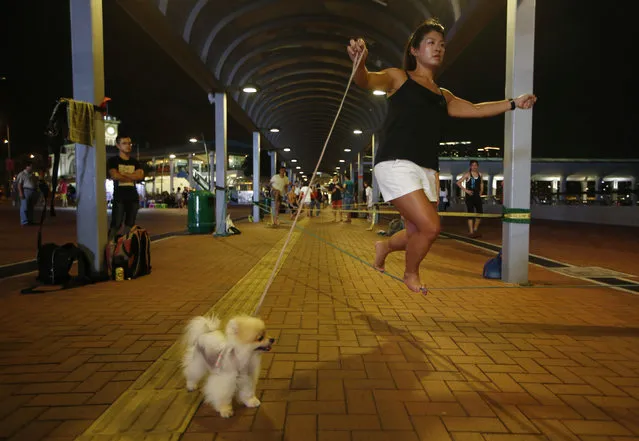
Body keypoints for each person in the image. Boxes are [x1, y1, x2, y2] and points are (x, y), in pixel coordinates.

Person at [347, 18, 536, 293]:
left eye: (442, 45)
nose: (438, 49)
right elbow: (365, 80)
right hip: (395, 163)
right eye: (431, 43)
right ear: (414, 50)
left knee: (416, 232)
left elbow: (475, 108)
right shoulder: (398, 77)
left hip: (427, 169)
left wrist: (513, 104)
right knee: (431, 227)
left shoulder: (442, 95)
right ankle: (410, 273)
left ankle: (385, 246)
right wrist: (359, 63)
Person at [107, 135, 144, 240]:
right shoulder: (113, 161)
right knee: (116, 224)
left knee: (130, 225)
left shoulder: (135, 162)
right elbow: (114, 175)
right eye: (124, 143)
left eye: (129, 143)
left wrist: (122, 175)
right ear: (118, 145)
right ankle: (110, 246)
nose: (128, 146)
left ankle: (124, 247)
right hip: (119, 197)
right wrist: (132, 176)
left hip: (133, 198)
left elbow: (140, 176)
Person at [457, 160, 484, 237]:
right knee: (470, 213)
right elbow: (458, 182)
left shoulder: (480, 174)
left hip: (477, 196)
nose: (474, 167)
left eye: (475, 165)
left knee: (480, 213)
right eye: (473, 165)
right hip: (470, 196)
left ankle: (475, 229)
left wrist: (481, 191)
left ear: (477, 166)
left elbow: (481, 183)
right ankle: (471, 231)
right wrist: (466, 191)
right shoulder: (467, 174)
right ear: (470, 166)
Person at [15, 161, 39, 226]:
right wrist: (21, 193)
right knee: (24, 207)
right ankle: (24, 221)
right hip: (25, 191)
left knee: (30, 207)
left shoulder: (31, 174)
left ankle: (30, 220)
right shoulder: (22, 174)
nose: (32, 167)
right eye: (31, 166)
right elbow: (19, 184)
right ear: (27, 166)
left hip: (32, 191)